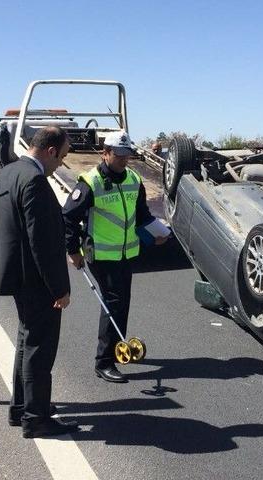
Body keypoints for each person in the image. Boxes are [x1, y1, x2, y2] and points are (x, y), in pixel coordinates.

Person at [0, 126, 79, 438]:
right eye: (62, 157)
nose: (61, 165)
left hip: (17, 273)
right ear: (51, 151)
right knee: (40, 347)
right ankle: (35, 418)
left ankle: (22, 407)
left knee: (27, 341)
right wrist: (60, 289)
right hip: (37, 279)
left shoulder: (9, 172)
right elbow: (42, 242)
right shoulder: (36, 180)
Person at [62, 130, 170, 383]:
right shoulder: (90, 182)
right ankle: (104, 362)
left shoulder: (133, 179)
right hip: (100, 254)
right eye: (119, 154)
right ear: (106, 153)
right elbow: (67, 218)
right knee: (113, 303)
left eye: (127, 154)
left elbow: (141, 215)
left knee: (122, 302)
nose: (124, 159)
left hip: (126, 253)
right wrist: (72, 251)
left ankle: (115, 349)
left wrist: (157, 234)